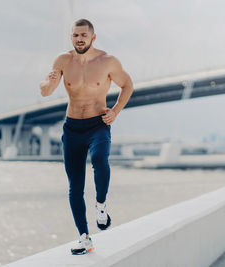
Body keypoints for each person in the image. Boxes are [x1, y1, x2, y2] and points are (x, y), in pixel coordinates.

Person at [39, 18, 133, 255]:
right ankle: (84, 237)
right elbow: (46, 91)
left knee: (100, 160)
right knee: (75, 187)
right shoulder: (63, 60)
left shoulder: (108, 61)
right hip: (72, 129)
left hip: (97, 124)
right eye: (75, 35)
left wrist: (115, 111)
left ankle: (101, 205)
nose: (79, 39)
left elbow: (128, 85)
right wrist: (47, 83)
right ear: (71, 37)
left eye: (83, 35)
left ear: (93, 37)